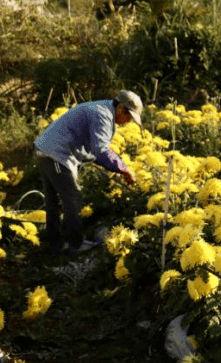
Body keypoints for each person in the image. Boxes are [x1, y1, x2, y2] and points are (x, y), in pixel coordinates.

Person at [34, 90, 142, 254]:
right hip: (56, 154)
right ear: (121, 108)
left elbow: (92, 148)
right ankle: (75, 245)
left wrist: (103, 161)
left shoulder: (101, 109)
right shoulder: (103, 116)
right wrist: (123, 170)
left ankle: (56, 245)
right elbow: (100, 149)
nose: (128, 122)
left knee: (53, 202)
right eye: (129, 117)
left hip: (46, 150)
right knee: (72, 198)